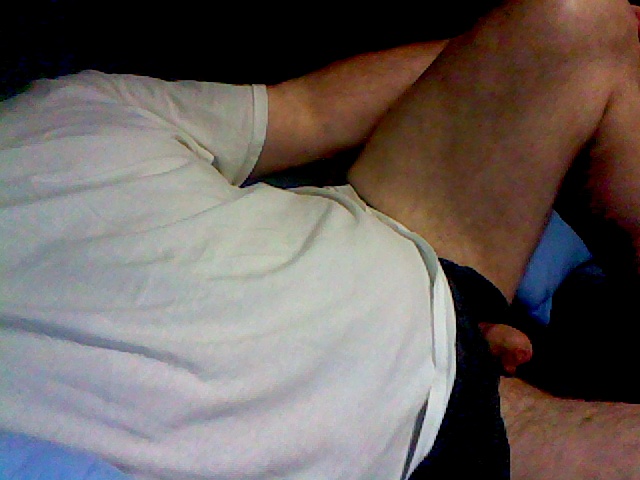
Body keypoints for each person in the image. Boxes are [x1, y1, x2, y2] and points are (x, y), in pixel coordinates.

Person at [2, 0, 640, 479]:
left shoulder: (61, 107)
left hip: (394, 239)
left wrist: (493, 58)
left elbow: (308, 110)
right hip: (396, 433)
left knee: (575, 18)